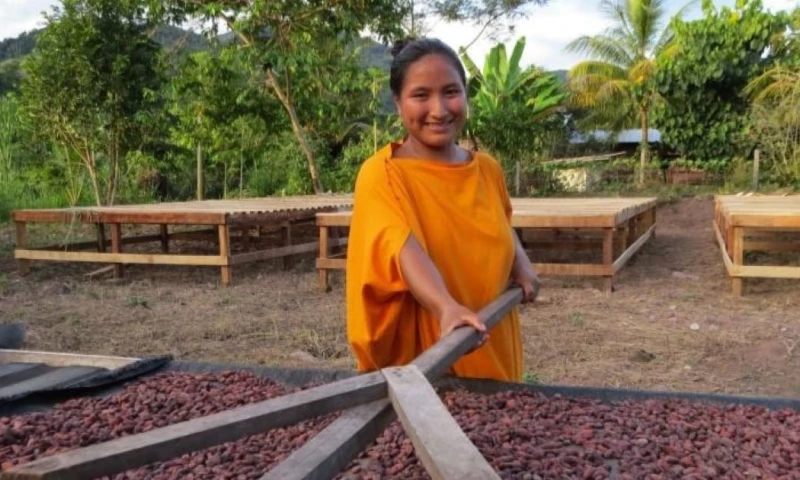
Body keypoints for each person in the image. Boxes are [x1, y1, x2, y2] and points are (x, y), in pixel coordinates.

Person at [345, 36, 540, 383]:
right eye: (421, 95)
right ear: (398, 102)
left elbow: (501, 225)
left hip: (492, 346)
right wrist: (446, 307)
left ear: (465, 94)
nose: (439, 109)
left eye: (451, 92)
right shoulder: (383, 173)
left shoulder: (488, 170)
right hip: (427, 362)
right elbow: (401, 248)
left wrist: (520, 262)